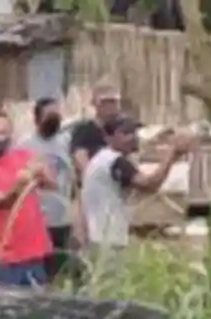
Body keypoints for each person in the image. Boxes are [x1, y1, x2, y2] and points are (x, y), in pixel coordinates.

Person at [81, 116, 191, 266]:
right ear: (109, 138)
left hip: (98, 237)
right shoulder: (115, 161)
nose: (132, 137)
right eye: (125, 133)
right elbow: (149, 185)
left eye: (134, 132)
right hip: (108, 240)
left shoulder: (100, 159)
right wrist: (173, 155)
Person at [0, 109, 55, 287]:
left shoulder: (24, 156)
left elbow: (52, 184)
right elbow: (2, 202)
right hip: (3, 258)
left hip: (34, 251)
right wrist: (19, 184)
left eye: (3, 133)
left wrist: (42, 172)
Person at [21, 97, 76, 281]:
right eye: (49, 116)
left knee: (63, 267)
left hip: (63, 216)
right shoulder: (25, 145)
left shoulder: (66, 142)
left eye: (57, 115)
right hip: (38, 219)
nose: (54, 120)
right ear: (37, 119)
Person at [69, 81, 124, 177]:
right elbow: (81, 160)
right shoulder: (84, 130)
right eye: (106, 102)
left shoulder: (123, 127)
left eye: (114, 102)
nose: (111, 107)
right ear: (96, 104)